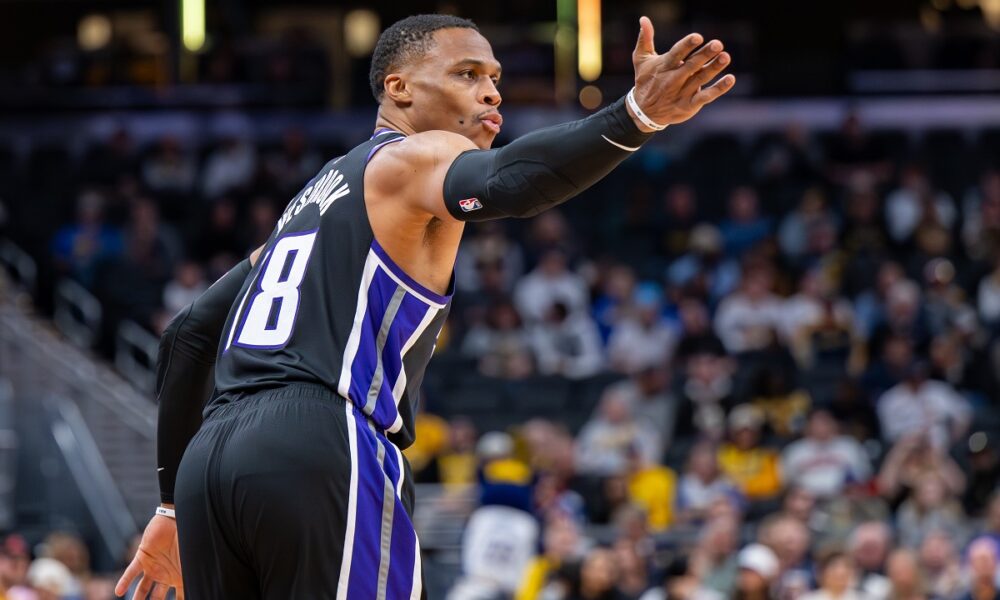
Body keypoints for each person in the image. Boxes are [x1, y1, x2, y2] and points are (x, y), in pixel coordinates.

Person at [116, 13, 736, 600]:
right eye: (468, 74)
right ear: (400, 88)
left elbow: (188, 334)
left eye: (495, 78)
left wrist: (170, 504)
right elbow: (505, 184)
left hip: (210, 462)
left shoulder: (309, 203)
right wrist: (635, 116)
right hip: (322, 434)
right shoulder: (415, 155)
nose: (491, 93)